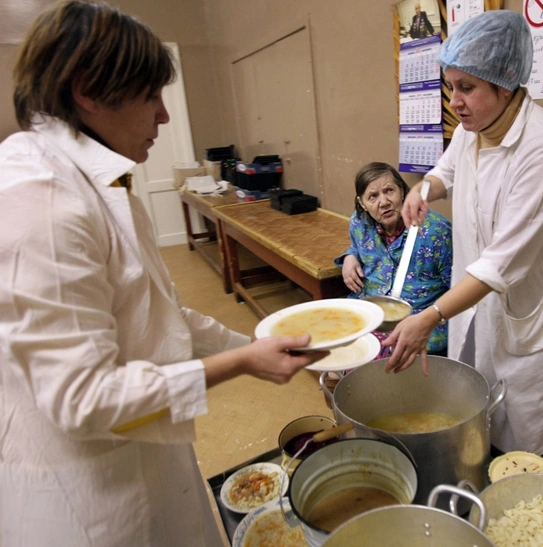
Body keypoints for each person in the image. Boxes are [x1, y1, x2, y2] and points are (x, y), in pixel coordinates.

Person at [0, 2, 328, 546]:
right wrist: (240, 362)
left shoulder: (95, 181)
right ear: (88, 90)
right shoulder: (42, 200)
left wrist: (258, 342)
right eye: (150, 94)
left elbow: (161, 315)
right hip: (87, 489)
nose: (164, 116)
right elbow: (83, 398)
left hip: (141, 450)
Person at [383, 11, 543, 457]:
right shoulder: (475, 128)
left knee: (528, 429)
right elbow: (447, 171)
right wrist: (424, 189)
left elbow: (500, 265)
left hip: (527, 305)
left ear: (506, 82)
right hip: (476, 296)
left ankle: (534, 493)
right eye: (451, 86)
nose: (455, 101)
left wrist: (429, 317)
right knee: (480, 406)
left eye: (467, 87)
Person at [334, 162, 452, 357]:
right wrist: (350, 255)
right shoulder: (359, 222)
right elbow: (357, 245)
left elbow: (457, 287)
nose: (384, 202)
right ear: (362, 203)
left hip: (420, 317)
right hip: (370, 308)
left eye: (389, 191)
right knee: (332, 342)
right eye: (373, 196)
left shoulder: (437, 233)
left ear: (403, 191)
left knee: (371, 356)